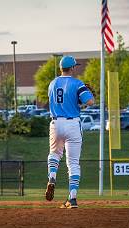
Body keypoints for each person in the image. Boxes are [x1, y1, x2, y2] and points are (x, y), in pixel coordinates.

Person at [45, 55, 94, 209]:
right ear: (72, 68)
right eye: (75, 66)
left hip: (56, 122)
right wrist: (84, 97)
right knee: (73, 163)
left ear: (61, 68)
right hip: (73, 124)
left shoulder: (52, 84)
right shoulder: (77, 83)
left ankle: (52, 177)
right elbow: (90, 101)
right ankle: (72, 199)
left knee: (54, 154)